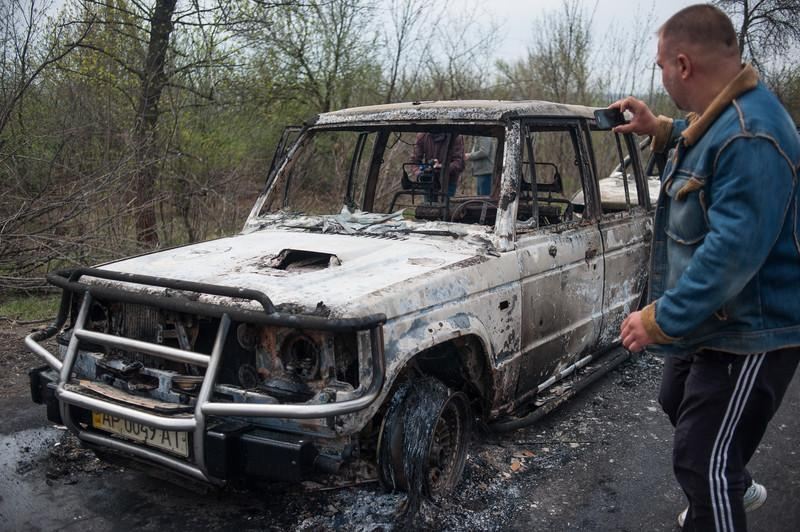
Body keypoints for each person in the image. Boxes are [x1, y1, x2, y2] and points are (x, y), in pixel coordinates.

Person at [613, 4, 800, 531]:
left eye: (660, 66)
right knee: (676, 396)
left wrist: (658, 318)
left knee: (701, 458)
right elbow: (703, 149)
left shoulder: (749, 134)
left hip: (751, 329)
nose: (661, 75)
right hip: (718, 321)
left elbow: (731, 254)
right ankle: (732, 483)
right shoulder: (721, 122)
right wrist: (661, 128)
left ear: (683, 64)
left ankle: (722, 489)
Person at [411, 132, 465, 197]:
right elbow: (415, 160)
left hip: (448, 180)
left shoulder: (455, 136)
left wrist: (442, 167)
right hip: (429, 179)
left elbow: (459, 162)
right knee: (429, 205)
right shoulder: (422, 136)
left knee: (446, 204)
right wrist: (420, 173)